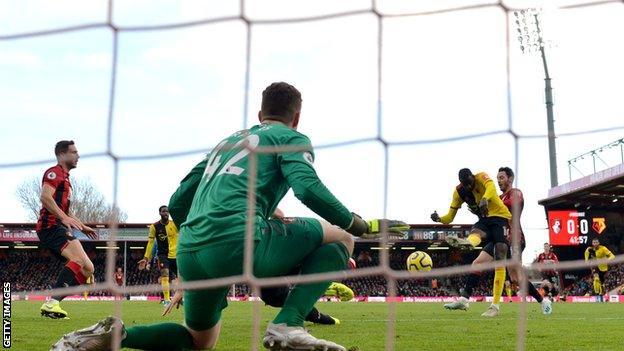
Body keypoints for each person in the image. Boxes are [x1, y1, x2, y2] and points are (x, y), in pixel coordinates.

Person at [52, 82, 401, 351]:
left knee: (200, 340)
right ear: (296, 118)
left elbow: (177, 201)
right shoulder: (290, 136)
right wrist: (359, 223)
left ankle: (115, 337)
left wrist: (206, 236)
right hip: (239, 241)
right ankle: (289, 322)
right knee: (342, 237)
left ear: (259, 113)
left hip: (191, 250)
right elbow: (307, 189)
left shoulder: (228, 142)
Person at [431, 168, 511, 316]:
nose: (468, 187)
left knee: (500, 259)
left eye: (470, 183)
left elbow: (492, 187)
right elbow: (450, 217)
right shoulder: (459, 192)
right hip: (485, 220)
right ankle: (464, 299)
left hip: (501, 218)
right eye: (464, 184)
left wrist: (485, 198)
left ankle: (495, 306)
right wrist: (440, 219)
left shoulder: (481, 176)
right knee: (477, 257)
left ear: (472, 177)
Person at [37, 140, 97, 319]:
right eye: (74, 152)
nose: (78, 156)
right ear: (62, 154)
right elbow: (45, 197)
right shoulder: (54, 173)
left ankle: (53, 303)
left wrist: (83, 226)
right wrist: (63, 218)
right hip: (50, 227)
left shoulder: (67, 180)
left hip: (58, 226)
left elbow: (65, 212)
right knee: (78, 259)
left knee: (88, 269)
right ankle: (52, 303)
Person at [489, 167, 551, 315]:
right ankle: (543, 300)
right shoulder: (500, 197)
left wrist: (494, 203)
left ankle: (543, 301)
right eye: (497, 178)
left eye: (501, 178)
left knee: (517, 274)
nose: (498, 181)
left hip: (515, 238)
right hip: (503, 239)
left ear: (510, 179)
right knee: (515, 279)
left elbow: (513, 205)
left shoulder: (515, 193)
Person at [138, 206, 179, 306]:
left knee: (177, 279)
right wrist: (146, 258)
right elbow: (151, 243)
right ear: (160, 213)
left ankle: (180, 297)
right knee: (164, 276)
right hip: (162, 255)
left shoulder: (174, 224)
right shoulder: (154, 227)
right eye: (164, 211)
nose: (166, 213)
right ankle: (167, 300)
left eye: (167, 211)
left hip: (175, 255)